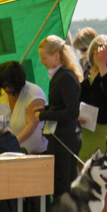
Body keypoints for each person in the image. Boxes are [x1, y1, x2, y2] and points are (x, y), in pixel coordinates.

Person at [34, 35, 83, 197]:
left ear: (56, 55)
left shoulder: (65, 77)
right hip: (62, 138)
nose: (41, 62)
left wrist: (43, 115)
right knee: (61, 184)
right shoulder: (60, 76)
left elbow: (72, 111)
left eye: (44, 58)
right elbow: (61, 106)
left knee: (63, 186)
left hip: (65, 139)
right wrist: (45, 109)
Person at [81, 35, 107, 212]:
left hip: (105, 132)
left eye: (106, 51)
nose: (102, 54)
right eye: (98, 51)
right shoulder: (85, 73)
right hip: (87, 133)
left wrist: (103, 67)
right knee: (86, 182)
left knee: (105, 184)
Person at [0, 61, 47, 154]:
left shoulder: (34, 93)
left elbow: (32, 124)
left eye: (10, 86)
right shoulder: (0, 95)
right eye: (4, 86)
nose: (7, 89)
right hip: (14, 152)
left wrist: (12, 145)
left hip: (38, 152)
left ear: (19, 82)